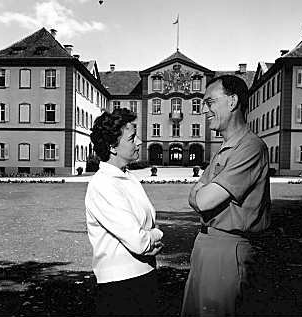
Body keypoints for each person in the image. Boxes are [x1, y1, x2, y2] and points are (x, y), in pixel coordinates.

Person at [181, 75, 271, 316]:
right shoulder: (226, 147)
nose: (205, 110)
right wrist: (200, 193)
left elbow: (202, 199)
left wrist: (200, 192)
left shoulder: (250, 147)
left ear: (232, 102)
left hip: (227, 249)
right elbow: (195, 195)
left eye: (210, 102)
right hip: (207, 245)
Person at [85, 108, 164, 316]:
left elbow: (144, 229)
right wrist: (157, 234)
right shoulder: (103, 185)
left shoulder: (128, 178)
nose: (139, 142)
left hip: (145, 276)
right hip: (119, 286)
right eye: (131, 138)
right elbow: (139, 241)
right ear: (112, 146)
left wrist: (149, 234)